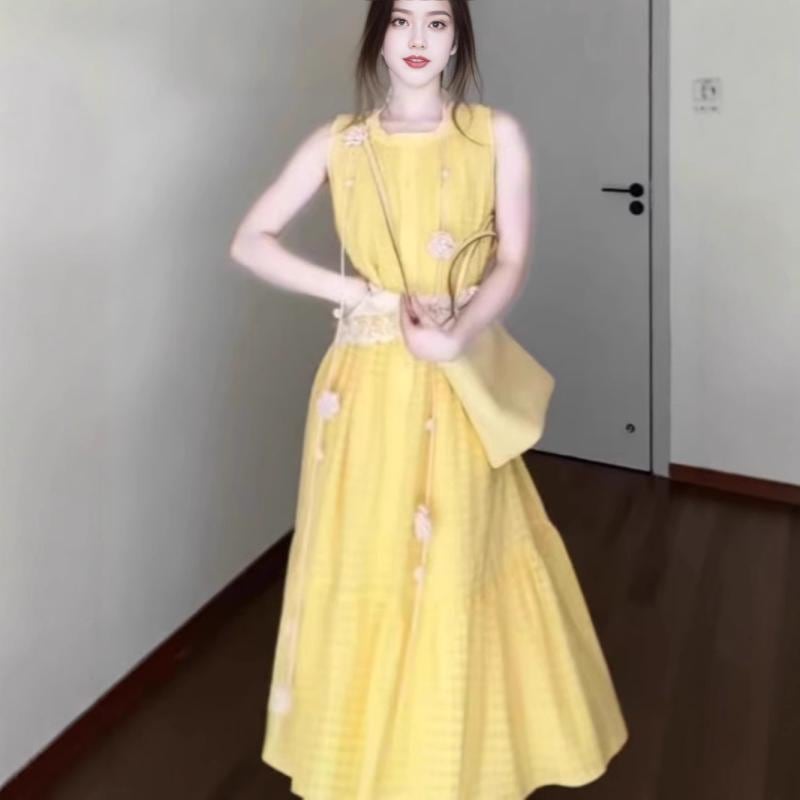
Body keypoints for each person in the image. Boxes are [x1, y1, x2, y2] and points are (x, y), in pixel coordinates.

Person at [229, 1, 628, 797]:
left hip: (455, 377)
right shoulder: (339, 142)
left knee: (456, 556)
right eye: (400, 20)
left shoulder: (493, 134)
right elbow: (249, 241)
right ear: (377, 34)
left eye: (437, 23)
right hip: (362, 385)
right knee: (367, 562)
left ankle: (449, 764)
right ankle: (370, 765)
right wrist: (358, 294)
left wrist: (458, 333)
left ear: (457, 40)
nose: (417, 39)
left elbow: (511, 258)